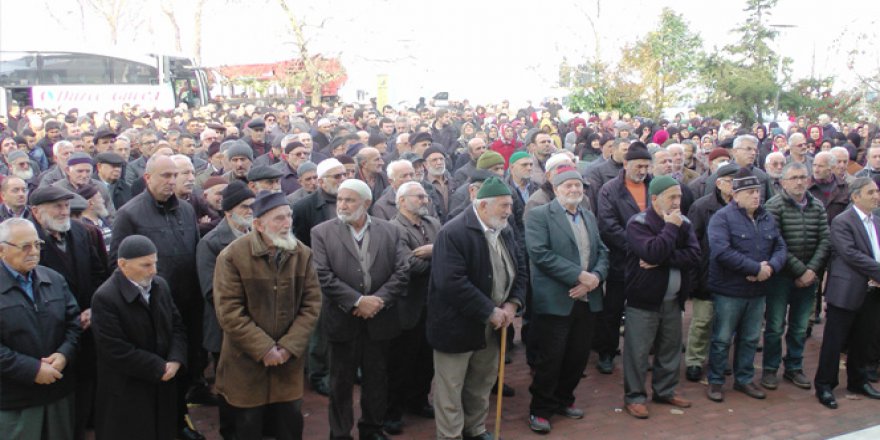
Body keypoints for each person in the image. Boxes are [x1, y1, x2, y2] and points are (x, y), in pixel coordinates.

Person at [109, 154, 204, 440]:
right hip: (154, 306)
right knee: (161, 370)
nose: (171, 181)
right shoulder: (129, 214)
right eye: (165, 176)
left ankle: (180, 421)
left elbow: (195, 250)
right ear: (147, 177)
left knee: (187, 364)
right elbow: (118, 262)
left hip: (188, 302)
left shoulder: (186, 210)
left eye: (174, 176)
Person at [213, 191, 322, 440]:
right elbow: (229, 311)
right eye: (278, 219)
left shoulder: (302, 254)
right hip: (245, 364)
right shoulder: (232, 256)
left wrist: (287, 347)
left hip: (287, 364)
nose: (287, 224)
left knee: (288, 427)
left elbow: (312, 305)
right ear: (258, 225)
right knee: (246, 428)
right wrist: (264, 349)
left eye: (289, 217)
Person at [427, 177, 527, 440]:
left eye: (510, 205)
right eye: (503, 205)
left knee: (481, 383)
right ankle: (450, 436)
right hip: (457, 325)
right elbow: (451, 282)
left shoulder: (504, 229)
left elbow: (520, 270)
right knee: (451, 387)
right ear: (483, 206)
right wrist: (489, 310)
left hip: (494, 324)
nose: (509, 211)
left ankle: (475, 429)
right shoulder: (453, 232)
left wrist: (512, 303)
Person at [310, 179, 409, 440]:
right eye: (340, 199)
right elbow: (322, 274)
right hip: (343, 320)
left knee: (377, 378)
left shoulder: (390, 231)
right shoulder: (322, 232)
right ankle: (340, 433)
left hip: (380, 319)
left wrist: (378, 301)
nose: (342, 205)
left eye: (349, 200)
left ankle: (372, 429)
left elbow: (402, 270)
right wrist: (357, 301)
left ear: (366, 203)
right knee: (340, 383)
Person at [525, 168, 609, 434]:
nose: (575, 190)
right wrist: (578, 275)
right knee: (551, 357)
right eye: (569, 186)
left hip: (587, 298)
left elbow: (603, 251)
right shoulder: (539, 215)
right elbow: (540, 253)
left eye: (578, 186)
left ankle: (564, 399)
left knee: (577, 355)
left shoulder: (588, 215)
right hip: (555, 299)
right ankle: (540, 409)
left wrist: (595, 276)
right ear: (557, 188)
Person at [91, 235, 188, 440]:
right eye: (145, 265)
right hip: (129, 389)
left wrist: (176, 359)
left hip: (163, 381)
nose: (153, 270)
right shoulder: (105, 297)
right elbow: (115, 349)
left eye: (154, 263)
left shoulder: (160, 286)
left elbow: (177, 326)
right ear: (123, 265)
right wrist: (158, 367)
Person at [621, 175, 700, 419]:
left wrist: (662, 260)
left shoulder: (684, 221)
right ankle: (634, 396)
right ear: (655, 199)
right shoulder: (639, 223)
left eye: (679, 196)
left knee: (670, 349)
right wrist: (671, 229)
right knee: (638, 351)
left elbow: (694, 256)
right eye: (672, 197)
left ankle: (664, 390)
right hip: (643, 301)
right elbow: (651, 251)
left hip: (672, 300)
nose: (678, 201)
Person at [705, 169, 787, 403]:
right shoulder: (722, 218)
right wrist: (755, 268)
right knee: (722, 338)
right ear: (736, 194)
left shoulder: (766, 217)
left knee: (751, 338)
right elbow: (721, 252)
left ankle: (744, 378)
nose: (756, 196)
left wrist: (769, 268)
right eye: (750, 192)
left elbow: (780, 247)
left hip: (757, 291)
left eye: (758, 192)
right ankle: (716, 381)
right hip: (729, 290)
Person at [0, 218, 81, 440]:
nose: (34, 252)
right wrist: (32, 370)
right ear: (1, 250)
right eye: (25, 246)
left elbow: (74, 323)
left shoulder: (53, 279)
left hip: (58, 393)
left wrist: (64, 354)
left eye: (37, 244)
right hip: (15, 401)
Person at [761, 162, 830, 391]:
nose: (799, 182)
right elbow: (775, 242)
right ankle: (770, 369)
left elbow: (825, 240)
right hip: (781, 277)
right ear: (783, 182)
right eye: (794, 178)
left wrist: (811, 270)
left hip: (809, 276)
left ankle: (794, 367)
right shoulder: (773, 206)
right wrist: (801, 270)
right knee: (774, 326)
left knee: (800, 327)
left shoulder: (817, 206)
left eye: (803, 177)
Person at [814, 177, 880, 409]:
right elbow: (850, 254)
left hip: (872, 292)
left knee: (864, 340)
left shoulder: (877, 221)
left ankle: (858, 381)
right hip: (846, 290)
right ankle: (824, 385)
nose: (876, 196)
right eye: (870, 192)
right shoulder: (843, 221)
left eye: (876, 191)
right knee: (834, 342)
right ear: (855, 196)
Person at [195, 181, 254, 440]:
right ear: (229, 212)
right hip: (226, 330)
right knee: (231, 389)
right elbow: (211, 291)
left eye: (254, 206)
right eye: (245, 207)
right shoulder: (211, 243)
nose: (252, 211)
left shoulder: (260, 234)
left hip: (260, 327)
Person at [384, 181, 441, 435]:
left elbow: (449, 256)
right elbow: (408, 267)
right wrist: (440, 257)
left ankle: (418, 401)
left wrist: (433, 252)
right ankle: (392, 412)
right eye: (419, 197)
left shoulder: (433, 224)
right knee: (400, 363)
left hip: (433, 304)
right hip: (406, 308)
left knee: (426, 360)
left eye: (425, 196)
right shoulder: (393, 229)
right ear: (402, 201)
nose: (425, 200)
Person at [291, 157, 348, 396]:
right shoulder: (304, 207)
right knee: (320, 331)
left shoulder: (351, 201)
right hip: (317, 276)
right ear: (322, 181)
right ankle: (319, 374)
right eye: (337, 176)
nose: (343, 180)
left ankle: (346, 368)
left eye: (344, 174)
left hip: (348, 274)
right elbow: (297, 243)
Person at [594, 142, 653, 374]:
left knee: (642, 312)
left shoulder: (653, 186)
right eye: (639, 165)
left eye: (647, 166)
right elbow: (608, 226)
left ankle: (639, 353)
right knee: (613, 310)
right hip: (622, 261)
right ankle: (606, 352)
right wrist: (638, 247)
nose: (643, 171)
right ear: (626, 163)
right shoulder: (610, 189)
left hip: (650, 262)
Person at [684, 163, 738, 382]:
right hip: (706, 273)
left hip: (733, 275)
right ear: (719, 183)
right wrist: (695, 277)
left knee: (726, 323)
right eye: (731, 182)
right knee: (702, 321)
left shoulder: (743, 207)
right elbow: (691, 242)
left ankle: (719, 358)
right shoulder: (701, 207)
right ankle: (694, 360)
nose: (735, 186)